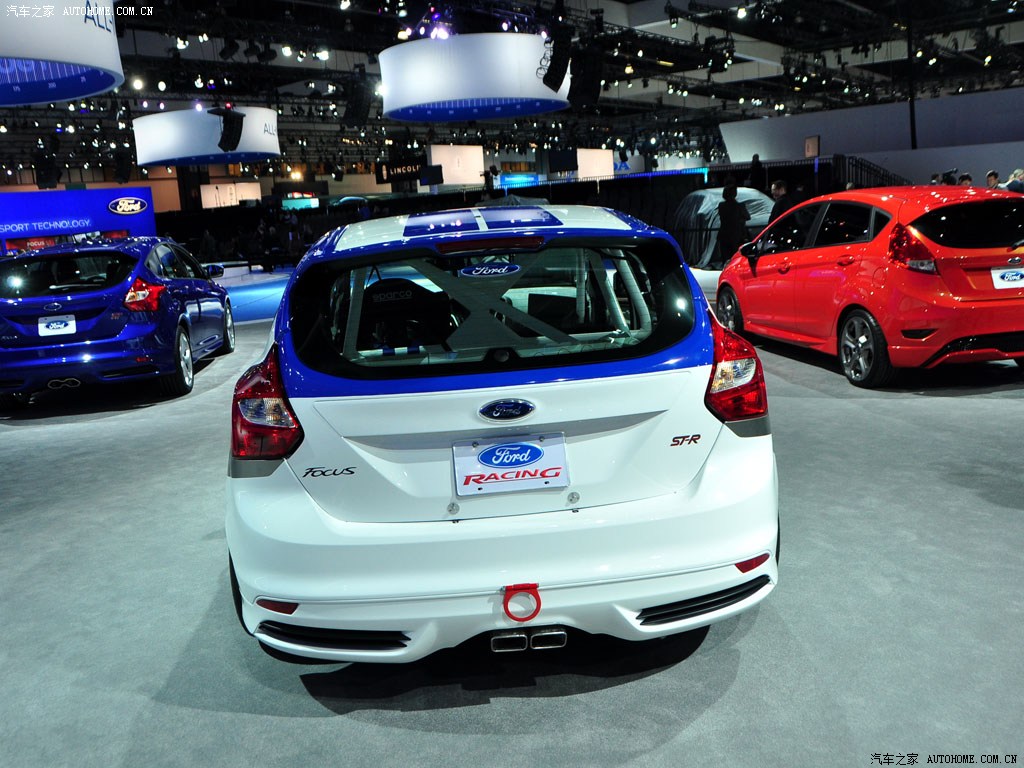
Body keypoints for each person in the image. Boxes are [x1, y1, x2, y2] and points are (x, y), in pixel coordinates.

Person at [714, 185, 750, 268]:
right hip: (736, 235)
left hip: (724, 234)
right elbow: (747, 217)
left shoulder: (721, 205)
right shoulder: (739, 206)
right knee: (735, 257)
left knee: (726, 257)